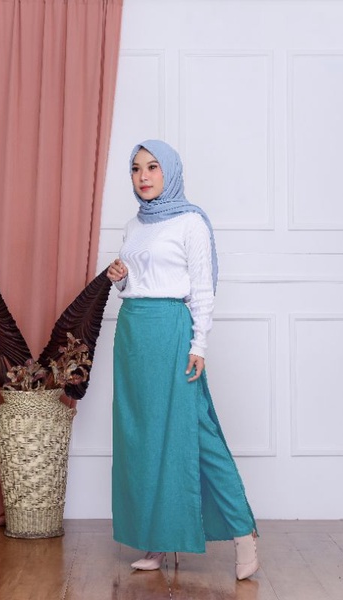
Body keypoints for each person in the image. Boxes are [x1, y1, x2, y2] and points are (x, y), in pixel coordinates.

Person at [106, 139, 259, 580]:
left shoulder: (191, 221)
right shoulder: (134, 224)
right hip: (133, 334)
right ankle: (156, 537)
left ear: (170, 171)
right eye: (136, 168)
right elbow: (139, 283)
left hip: (171, 334)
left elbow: (201, 288)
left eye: (153, 167)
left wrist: (199, 345)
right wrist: (121, 278)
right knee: (141, 438)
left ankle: (244, 532)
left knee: (196, 432)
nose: (143, 176)